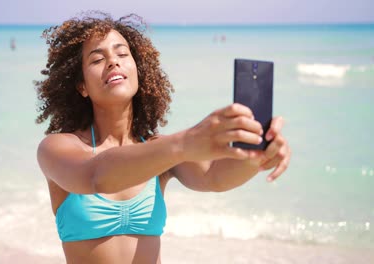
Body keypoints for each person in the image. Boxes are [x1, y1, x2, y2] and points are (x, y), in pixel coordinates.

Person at [35, 11, 291, 263]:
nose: (113, 62)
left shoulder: (160, 150)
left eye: (122, 54)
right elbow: (95, 176)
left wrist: (255, 155)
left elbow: (215, 176)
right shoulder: (56, 148)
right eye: (97, 59)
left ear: (138, 69)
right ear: (81, 86)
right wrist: (185, 143)